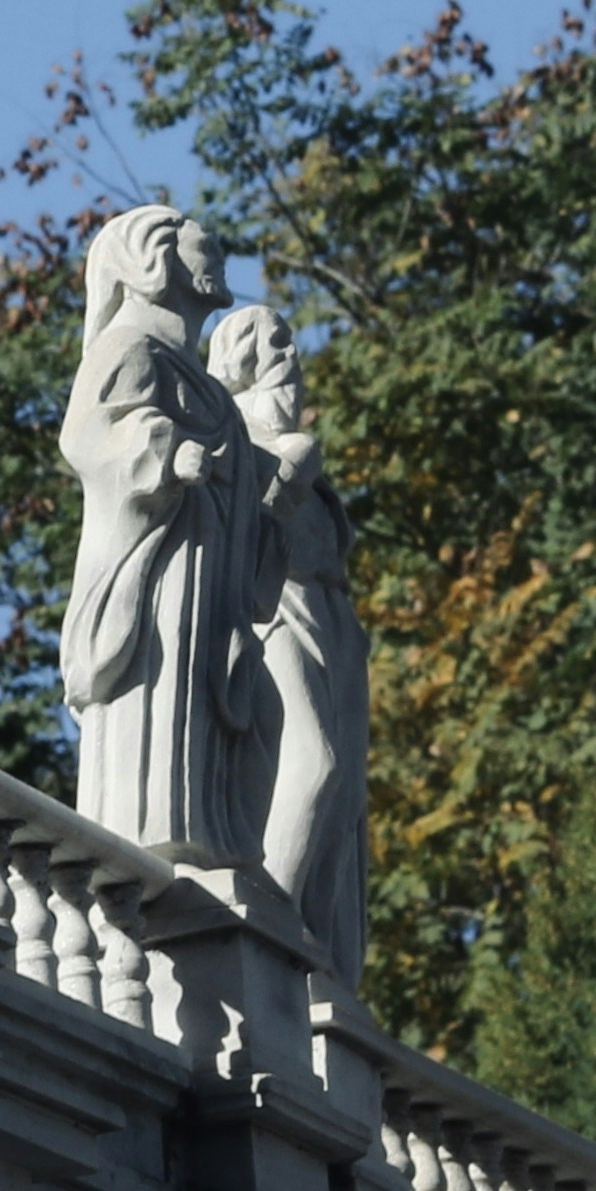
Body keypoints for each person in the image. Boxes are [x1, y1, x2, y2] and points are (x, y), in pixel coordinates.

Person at [62, 206, 271, 859]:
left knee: (201, 678)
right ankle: (156, 830)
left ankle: (204, 832)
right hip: (157, 570)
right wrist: (162, 450)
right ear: (155, 260)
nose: (218, 254)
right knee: (162, 670)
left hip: (206, 568)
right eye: (202, 244)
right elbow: (87, 438)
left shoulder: (204, 386)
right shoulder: (129, 350)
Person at [210, 304, 367, 979]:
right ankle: (272, 925)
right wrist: (291, 466)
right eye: (274, 345)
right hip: (281, 606)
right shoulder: (234, 434)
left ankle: (323, 957)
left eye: (293, 346)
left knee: (345, 803)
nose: (291, 357)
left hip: (334, 619)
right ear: (240, 359)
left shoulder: (295, 447)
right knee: (316, 763)